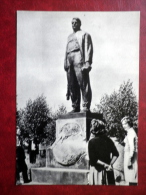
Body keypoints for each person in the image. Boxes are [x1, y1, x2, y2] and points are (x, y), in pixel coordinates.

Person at [64, 18, 93, 112]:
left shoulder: (85, 34)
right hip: (70, 59)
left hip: (79, 57)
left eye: (76, 22)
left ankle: (85, 105)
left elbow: (88, 48)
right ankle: (75, 106)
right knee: (72, 84)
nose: (74, 24)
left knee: (83, 82)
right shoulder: (69, 37)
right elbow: (66, 51)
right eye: (72, 23)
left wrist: (87, 62)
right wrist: (65, 62)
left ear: (80, 24)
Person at [88, 119, 119, 185]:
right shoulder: (109, 140)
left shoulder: (92, 142)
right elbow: (116, 154)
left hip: (97, 171)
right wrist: (110, 165)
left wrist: (105, 165)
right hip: (109, 171)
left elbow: (93, 160)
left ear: (93, 129)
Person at [121, 116, 138, 185]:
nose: (123, 126)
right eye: (122, 124)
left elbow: (132, 148)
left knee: (131, 178)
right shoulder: (130, 132)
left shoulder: (131, 133)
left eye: (125, 124)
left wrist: (129, 160)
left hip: (131, 158)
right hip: (130, 156)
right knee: (130, 178)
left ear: (129, 123)